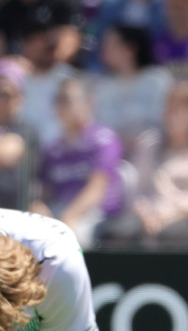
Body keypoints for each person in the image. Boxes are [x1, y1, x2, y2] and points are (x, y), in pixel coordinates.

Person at [105, 80, 188, 247]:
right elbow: (137, 189)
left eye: (180, 110)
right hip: (149, 214)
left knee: (168, 238)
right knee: (114, 234)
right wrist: (146, 214)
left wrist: (169, 215)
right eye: (170, 109)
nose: (173, 115)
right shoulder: (149, 144)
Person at [32, 79, 123, 250]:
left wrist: (66, 219)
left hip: (95, 214)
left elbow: (96, 190)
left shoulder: (103, 140)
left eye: (66, 100)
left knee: (71, 238)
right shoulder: (52, 148)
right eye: (58, 100)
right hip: (59, 212)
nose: (61, 106)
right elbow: (42, 192)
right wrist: (39, 208)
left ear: (88, 102)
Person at [90, 25, 172, 150]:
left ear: (129, 50)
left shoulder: (157, 81)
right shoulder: (102, 86)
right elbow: (97, 128)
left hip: (154, 152)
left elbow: (164, 122)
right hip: (112, 155)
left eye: (110, 44)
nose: (103, 49)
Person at [0, 60, 39, 212]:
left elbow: (6, 153)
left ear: (20, 98)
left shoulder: (25, 130)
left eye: (6, 94)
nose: (1, 100)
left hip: (13, 213)